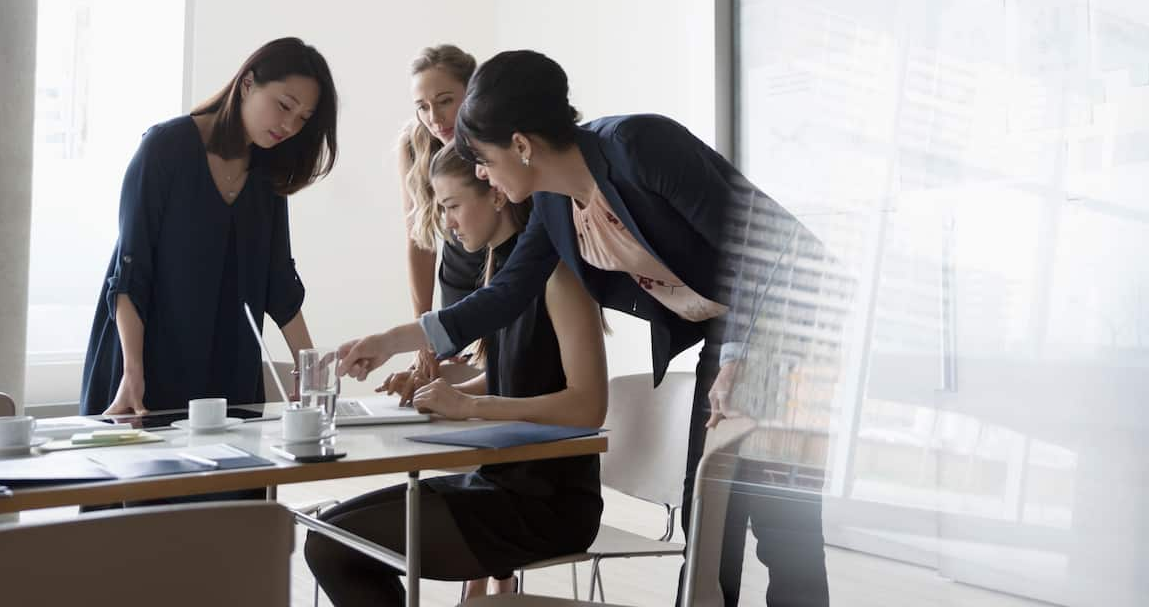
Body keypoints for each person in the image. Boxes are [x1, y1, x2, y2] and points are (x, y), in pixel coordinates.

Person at [340, 50, 832, 606]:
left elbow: (763, 250)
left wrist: (743, 356)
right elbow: (504, 295)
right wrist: (393, 340)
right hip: (733, 329)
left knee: (778, 522)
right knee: (710, 519)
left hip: (793, 315)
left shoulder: (641, 147)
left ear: (521, 145)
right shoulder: (554, 202)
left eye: (484, 159)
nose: (482, 174)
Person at [312, 146, 607, 605]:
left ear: (494, 195)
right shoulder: (500, 270)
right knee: (328, 536)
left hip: (547, 506)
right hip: (501, 485)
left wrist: (470, 407)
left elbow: (588, 406)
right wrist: (445, 391)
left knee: (332, 546)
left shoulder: (557, 276)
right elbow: (513, 377)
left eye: (451, 206)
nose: (446, 223)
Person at [80, 36, 338, 415]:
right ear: (248, 83)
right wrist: (133, 371)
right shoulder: (165, 148)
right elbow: (129, 275)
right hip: (146, 369)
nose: (289, 125)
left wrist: (309, 369)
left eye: (302, 119)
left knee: (237, 473)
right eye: (284, 105)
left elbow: (278, 280)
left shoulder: (268, 173)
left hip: (228, 373)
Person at [397, 44, 486, 382]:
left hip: (505, 273)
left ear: (472, 91)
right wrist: (425, 337)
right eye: (422, 107)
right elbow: (419, 243)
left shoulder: (497, 140)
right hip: (457, 279)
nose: (434, 118)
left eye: (446, 101)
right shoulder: (413, 144)